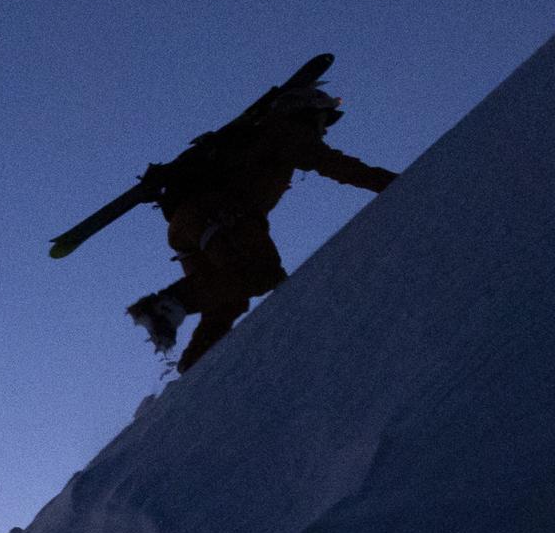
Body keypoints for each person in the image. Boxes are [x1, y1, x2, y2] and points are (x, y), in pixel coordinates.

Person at [124, 77, 397, 367]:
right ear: (308, 111)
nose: (324, 129)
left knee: (229, 300)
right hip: (220, 213)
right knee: (263, 273)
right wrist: (397, 183)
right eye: (323, 120)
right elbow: (337, 166)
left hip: (188, 224)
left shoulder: (254, 137)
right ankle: (162, 308)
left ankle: (192, 371)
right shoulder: (286, 131)